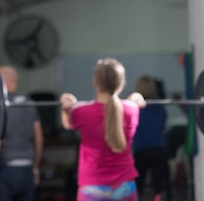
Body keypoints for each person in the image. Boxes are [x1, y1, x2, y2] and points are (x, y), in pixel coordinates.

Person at [60, 58, 146, 201]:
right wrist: (136, 96)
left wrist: (65, 105)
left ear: (95, 82)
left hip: (92, 187)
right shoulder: (132, 109)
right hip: (125, 186)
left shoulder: (81, 111)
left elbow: (67, 124)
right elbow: (132, 102)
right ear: (121, 83)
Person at [0, 66, 43, 201]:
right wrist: (35, 167)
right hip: (27, 171)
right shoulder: (30, 103)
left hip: (6, 171)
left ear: (3, 82)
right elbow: (39, 138)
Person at [132, 75, 169, 201]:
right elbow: (163, 126)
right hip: (158, 149)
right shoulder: (160, 107)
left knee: (138, 185)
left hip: (142, 149)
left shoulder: (135, 109)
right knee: (158, 187)